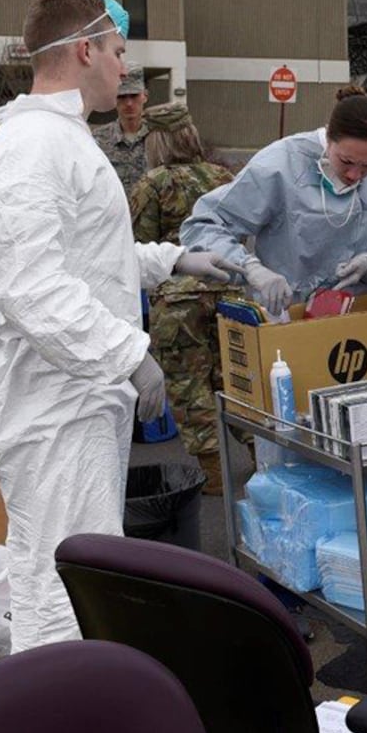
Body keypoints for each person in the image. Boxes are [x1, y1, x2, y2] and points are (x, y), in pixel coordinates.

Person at [0, 0, 239, 652]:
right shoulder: (34, 146)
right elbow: (32, 287)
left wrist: (179, 258)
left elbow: (92, 259)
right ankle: (63, 721)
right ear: (84, 49)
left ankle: (62, 709)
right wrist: (129, 355)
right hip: (51, 407)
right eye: (118, 52)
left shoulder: (60, 137)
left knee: (54, 569)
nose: (123, 70)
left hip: (69, 400)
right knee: (66, 580)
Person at [180, 86, 367, 312]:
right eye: (346, 162)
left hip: (365, 311)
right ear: (329, 138)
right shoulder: (280, 164)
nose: (355, 175)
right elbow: (205, 225)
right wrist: (250, 268)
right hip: (291, 312)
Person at [128, 103, 238, 496]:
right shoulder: (223, 176)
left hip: (177, 301)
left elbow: (139, 247)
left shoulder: (152, 184)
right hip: (228, 289)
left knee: (190, 386)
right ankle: (264, 460)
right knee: (236, 377)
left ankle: (214, 473)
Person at [93, 63, 149, 196]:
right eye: (122, 97)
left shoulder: (159, 138)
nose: (129, 103)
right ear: (114, 99)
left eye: (134, 96)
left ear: (145, 96)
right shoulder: (99, 139)